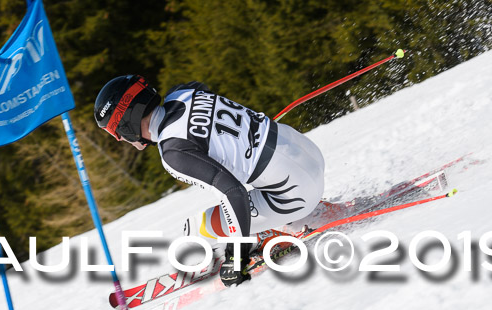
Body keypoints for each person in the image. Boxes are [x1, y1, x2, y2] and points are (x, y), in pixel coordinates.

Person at [94, 75, 325, 286]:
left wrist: (236, 258)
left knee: (196, 228)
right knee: (251, 172)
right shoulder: (183, 91)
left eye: (116, 132)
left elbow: (233, 192)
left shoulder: (174, 151)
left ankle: (265, 237)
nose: (120, 139)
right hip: (308, 152)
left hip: (298, 192)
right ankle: (294, 218)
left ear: (127, 123)